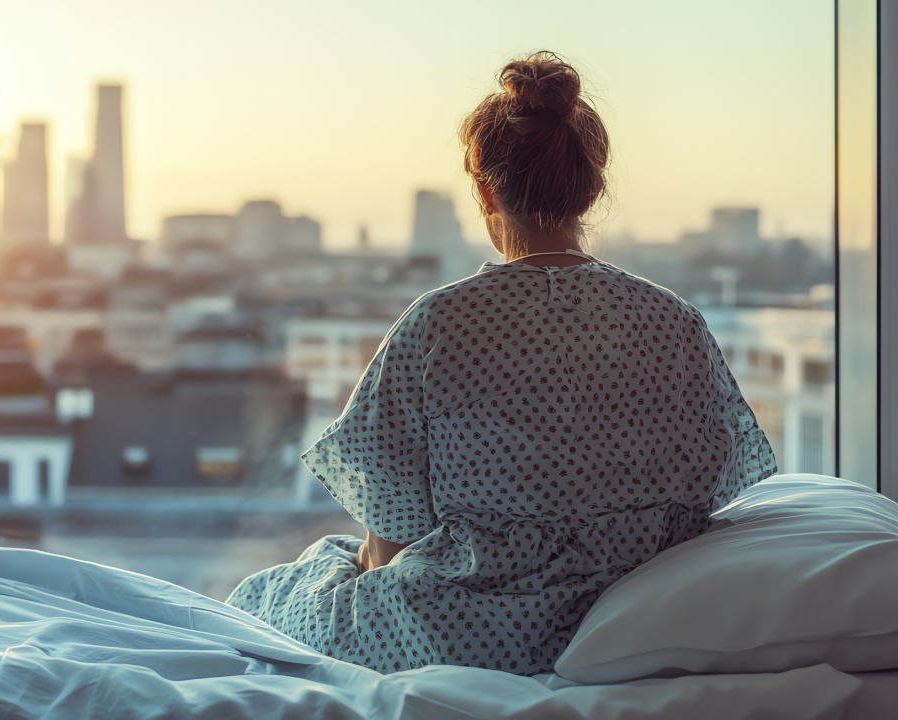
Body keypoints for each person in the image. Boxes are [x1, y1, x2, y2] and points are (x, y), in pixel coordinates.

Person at [226, 51, 777, 676]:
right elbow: (712, 488)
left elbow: (390, 535)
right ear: (593, 188)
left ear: (486, 191)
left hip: (466, 635)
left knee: (272, 595)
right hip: (645, 611)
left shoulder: (441, 324)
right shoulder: (675, 321)